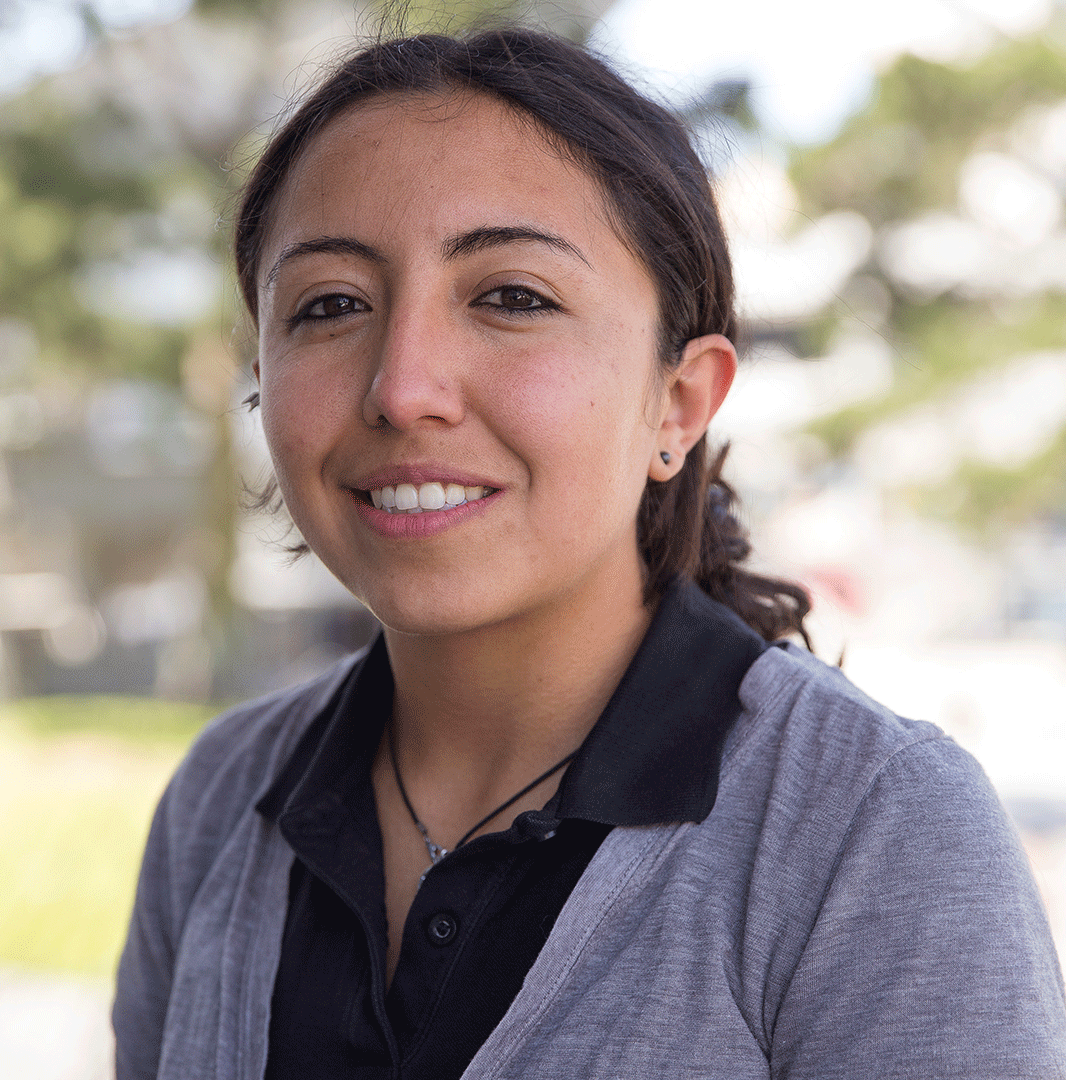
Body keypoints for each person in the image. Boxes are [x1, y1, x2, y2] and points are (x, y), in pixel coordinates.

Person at [112, 27, 1066, 1080]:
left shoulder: (876, 832)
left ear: (680, 400)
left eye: (511, 296)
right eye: (331, 305)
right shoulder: (220, 802)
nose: (402, 386)